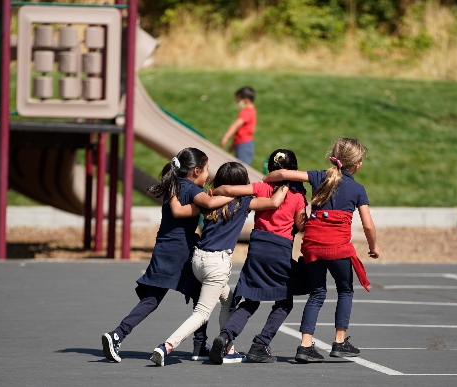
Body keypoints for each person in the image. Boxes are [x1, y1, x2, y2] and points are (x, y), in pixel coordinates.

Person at [150, 161, 289, 367]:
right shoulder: (243, 202)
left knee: (229, 300)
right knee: (202, 313)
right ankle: (166, 346)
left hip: (198, 260)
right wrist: (286, 183)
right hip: (217, 263)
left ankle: (228, 349)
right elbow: (274, 202)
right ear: (241, 183)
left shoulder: (210, 200)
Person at [101, 148, 232, 363]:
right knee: (202, 296)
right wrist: (231, 196)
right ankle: (198, 345)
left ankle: (118, 334)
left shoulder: (175, 184)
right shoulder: (190, 188)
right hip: (181, 252)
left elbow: (180, 211)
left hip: (163, 248)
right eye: (207, 169)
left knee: (153, 299)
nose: (208, 175)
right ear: (196, 170)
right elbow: (206, 204)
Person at [262, 137, 380, 364]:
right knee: (345, 290)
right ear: (357, 165)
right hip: (337, 249)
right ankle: (339, 341)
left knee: (317, 293)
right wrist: (373, 247)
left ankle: (305, 345)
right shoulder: (357, 189)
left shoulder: (318, 177)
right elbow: (367, 225)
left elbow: (283, 174)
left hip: (313, 247)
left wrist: (267, 178)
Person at [208, 149, 309, 365]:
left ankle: (226, 336)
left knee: (251, 299)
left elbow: (227, 190)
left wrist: (215, 191)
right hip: (279, 249)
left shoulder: (262, 187)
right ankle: (261, 344)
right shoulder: (298, 196)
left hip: (257, 247)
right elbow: (301, 226)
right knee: (284, 301)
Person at [221, 86, 256, 165]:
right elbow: (241, 131)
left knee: (241, 168)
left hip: (244, 145)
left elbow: (236, 125)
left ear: (246, 100)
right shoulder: (251, 111)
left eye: (238, 101)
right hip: (242, 144)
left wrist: (226, 136)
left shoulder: (246, 112)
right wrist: (233, 144)